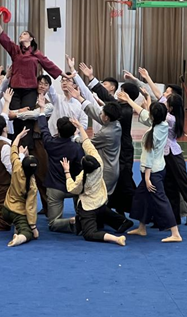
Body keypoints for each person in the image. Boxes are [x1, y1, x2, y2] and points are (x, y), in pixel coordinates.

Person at [136, 68, 187, 234]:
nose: (164, 99)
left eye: (167, 99)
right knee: (170, 188)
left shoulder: (169, 119)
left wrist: (145, 99)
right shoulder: (171, 113)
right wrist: (147, 77)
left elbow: (151, 112)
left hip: (173, 156)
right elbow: (158, 96)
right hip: (164, 156)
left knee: (185, 186)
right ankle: (173, 220)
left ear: (171, 107)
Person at [79, 62, 140, 217]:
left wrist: (91, 79)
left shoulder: (125, 111)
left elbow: (107, 99)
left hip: (124, 151)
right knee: (120, 183)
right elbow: (107, 98)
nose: (119, 93)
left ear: (128, 96)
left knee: (125, 182)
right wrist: (91, 78)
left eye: (122, 91)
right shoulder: (121, 106)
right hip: (119, 149)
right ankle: (119, 211)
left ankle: (141, 211)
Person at [0, 11, 62, 148]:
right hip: (15, 89)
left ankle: (27, 148)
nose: (21, 35)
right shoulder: (15, 50)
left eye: (24, 33)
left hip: (30, 90)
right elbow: (4, 38)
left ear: (31, 38)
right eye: (20, 34)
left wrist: (64, 75)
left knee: (28, 117)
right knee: (16, 118)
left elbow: (49, 64)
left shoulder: (36, 53)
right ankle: (16, 146)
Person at [62, 119, 128, 246]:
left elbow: (72, 188)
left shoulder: (82, 178)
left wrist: (67, 171)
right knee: (103, 212)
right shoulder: (99, 163)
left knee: (89, 234)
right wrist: (80, 127)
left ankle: (116, 239)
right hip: (100, 199)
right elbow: (87, 143)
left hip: (89, 207)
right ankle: (121, 221)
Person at [127, 102, 183, 243]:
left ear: (153, 116)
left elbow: (148, 157)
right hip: (159, 168)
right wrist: (129, 100)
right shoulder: (163, 125)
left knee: (161, 200)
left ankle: (175, 233)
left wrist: (147, 178)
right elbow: (145, 114)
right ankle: (142, 227)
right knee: (142, 197)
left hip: (152, 172)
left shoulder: (152, 135)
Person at [36, 94, 85, 233]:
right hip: (74, 186)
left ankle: (70, 221)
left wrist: (42, 109)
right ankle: (81, 219)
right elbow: (81, 167)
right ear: (73, 131)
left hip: (55, 187)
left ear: (57, 130)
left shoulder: (50, 143)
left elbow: (44, 128)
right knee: (82, 210)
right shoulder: (77, 148)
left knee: (53, 223)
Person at [67, 82, 123, 196]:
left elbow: (88, 144)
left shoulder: (106, 133)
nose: (100, 113)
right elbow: (95, 112)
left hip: (106, 172)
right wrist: (79, 97)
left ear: (106, 117)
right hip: (112, 168)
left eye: (102, 113)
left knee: (97, 198)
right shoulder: (116, 124)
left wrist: (76, 135)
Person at [13, 74, 55, 215]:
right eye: (40, 83)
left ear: (49, 88)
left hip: (38, 141)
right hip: (24, 139)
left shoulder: (49, 104)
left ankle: (48, 207)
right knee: (21, 174)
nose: (42, 86)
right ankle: (21, 207)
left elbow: (33, 114)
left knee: (42, 174)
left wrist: (16, 114)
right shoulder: (26, 98)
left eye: (45, 84)